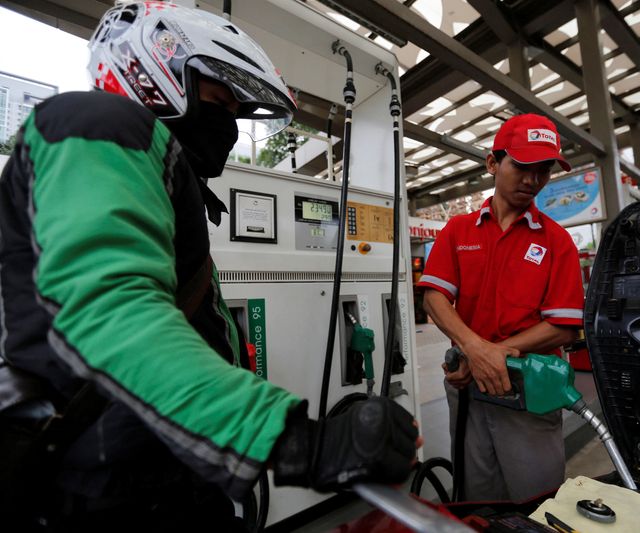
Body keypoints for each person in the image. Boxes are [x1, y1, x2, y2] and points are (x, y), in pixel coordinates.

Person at [0, 3, 418, 530]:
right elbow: (109, 312)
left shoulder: (158, 172)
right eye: (219, 100)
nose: (228, 124)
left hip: (157, 473)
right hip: (103, 492)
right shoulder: (95, 122)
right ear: (155, 70)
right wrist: (295, 442)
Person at [418, 113, 585, 501]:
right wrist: (475, 351)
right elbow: (434, 297)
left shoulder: (557, 242)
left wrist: (493, 353)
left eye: (543, 170)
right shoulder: (458, 230)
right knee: (477, 496)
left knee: (537, 500)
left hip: (530, 391)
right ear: (493, 163)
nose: (533, 180)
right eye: (522, 166)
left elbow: (563, 327)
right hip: (469, 386)